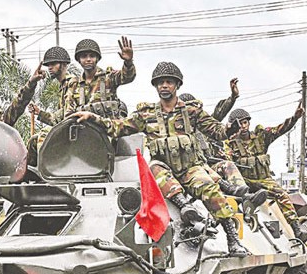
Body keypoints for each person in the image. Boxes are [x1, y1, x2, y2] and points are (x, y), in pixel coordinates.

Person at [71, 62, 263, 257]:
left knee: (209, 188)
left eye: (169, 82)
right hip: (163, 167)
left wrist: (230, 129)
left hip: (189, 167)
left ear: (177, 85)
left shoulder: (191, 112)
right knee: (154, 168)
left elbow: (217, 131)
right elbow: (118, 127)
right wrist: (93, 117)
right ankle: (184, 206)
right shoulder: (146, 114)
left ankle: (232, 239)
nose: (164, 86)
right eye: (160, 82)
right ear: (155, 86)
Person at [223, 105, 307, 242]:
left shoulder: (260, 137)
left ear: (249, 123)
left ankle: (297, 229)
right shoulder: (229, 144)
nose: (243, 126)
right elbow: (226, 162)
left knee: (281, 194)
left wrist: (294, 118)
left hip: (263, 180)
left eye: (245, 122)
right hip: (244, 182)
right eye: (239, 124)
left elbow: (279, 130)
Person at [32, 37, 135, 125]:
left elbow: (127, 77)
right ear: (79, 60)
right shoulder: (74, 85)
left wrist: (128, 62)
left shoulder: (109, 77)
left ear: (97, 58)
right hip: (84, 133)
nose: (88, 59)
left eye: (92, 56)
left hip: (108, 130)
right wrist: (40, 113)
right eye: (84, 56)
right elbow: (67, 115)